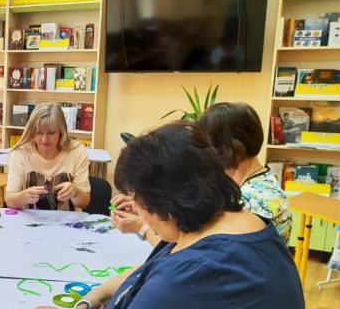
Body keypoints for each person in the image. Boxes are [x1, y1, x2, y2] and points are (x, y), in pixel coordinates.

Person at [25, 122, 304, 309]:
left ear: (166, 202)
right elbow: (154, 269)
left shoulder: (204, 271)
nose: (137, 211)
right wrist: (102, 294)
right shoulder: (229, 224)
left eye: (138, 200)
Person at [113, 102, 292, 243]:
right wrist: (148, 205)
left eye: (204, 146)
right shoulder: (260, 182)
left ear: (230, 150)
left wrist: (142, 227)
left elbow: (190, 249)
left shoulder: (250, 204)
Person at [5, 103, 90, 211]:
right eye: (38, 132)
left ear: (61, 131)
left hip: (68, 220)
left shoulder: (77, 151)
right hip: (30, 220)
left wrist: (76, 192)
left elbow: (84, 203)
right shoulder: (19, 153)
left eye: (51, 132)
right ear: (31, 131)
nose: (44, 139)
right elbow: (10, 201)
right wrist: (25, 196)